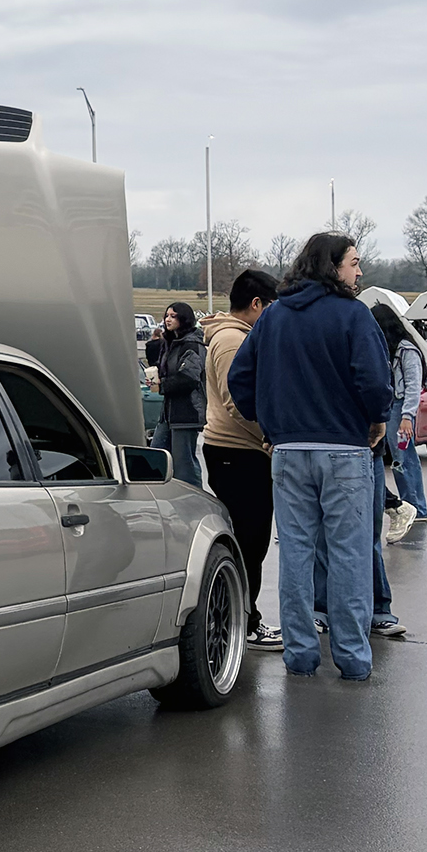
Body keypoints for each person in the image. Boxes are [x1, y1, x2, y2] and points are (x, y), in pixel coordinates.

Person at [228, 232, 395, 680]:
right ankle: (353, 657)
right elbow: (375, 381)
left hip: (288, 451)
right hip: (344, 450)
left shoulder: (274, 315)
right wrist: (376, 419)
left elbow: (240, 377)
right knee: (349, 555)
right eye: (354, 263)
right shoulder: (354, 316)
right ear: (332, 266)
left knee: (296, 554)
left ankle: (300, 653)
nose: (359, 272)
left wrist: (270, 425)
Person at [200, 270, 281, 650]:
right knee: (250, 542)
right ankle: (247, 622)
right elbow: (238, 403)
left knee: (251, 541)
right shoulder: (233, 340)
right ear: (256, 304)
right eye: (272, 306)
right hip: (238, 452)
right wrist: (271, 438)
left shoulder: (235, 335)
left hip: (237, 452)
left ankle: (243, 618)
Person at [373, 303, 427, 534]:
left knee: (403, 458)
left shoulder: (406, 350)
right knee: (397, 459)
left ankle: (416, 506)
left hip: (400, 409)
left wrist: (408, 416)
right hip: (389, 407)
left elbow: (414, 386)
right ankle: (410, 504)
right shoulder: (389, 349)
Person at [154, 301, 206, 486]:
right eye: (166, 315)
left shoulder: (191, 345)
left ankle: (195, 499)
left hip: (186, 411)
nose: (168, 319)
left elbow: (190, 378)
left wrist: (163, 384)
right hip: (168, 412)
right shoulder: (170, 343)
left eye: (173, 316)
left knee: (184, 464)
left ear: (183, 319)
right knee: (156, 455)